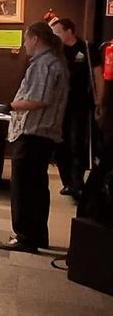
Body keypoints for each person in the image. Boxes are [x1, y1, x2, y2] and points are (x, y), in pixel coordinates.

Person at [0, 21, 69, 253]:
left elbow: (38, 99)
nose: (24, 44)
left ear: (35, 39)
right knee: (37, 188)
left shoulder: (44, 64)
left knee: (24, 189)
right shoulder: (53, 61)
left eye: (26, 39)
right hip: (42, 136)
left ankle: (26, 237)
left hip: (34, 135)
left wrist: (9, 106)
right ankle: (37, 236)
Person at [50, 18, 100, 196]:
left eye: (58, 32)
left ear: (69, 31)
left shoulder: (86, 48)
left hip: (80, 102)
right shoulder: (57, 51)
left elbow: (97, 76)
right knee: (60, 142)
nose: (55, 36)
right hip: (60, 103)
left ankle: (77, 182)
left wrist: (99, 101)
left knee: (77, 142)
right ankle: (67, 182)